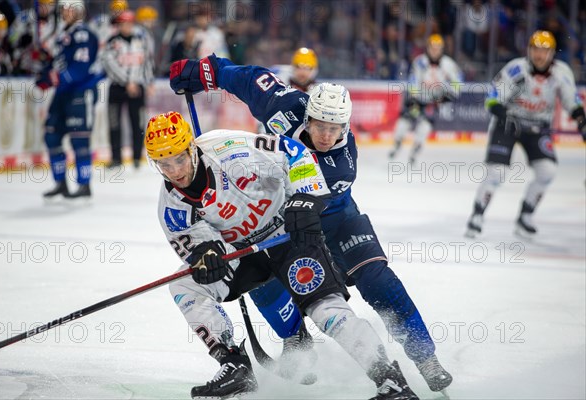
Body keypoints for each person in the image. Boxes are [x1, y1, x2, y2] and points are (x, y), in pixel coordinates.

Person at [169, 55, 453, 393]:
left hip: (333, 218)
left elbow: (308, 205)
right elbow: (247, 78)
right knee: (260, 274)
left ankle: (425, 358)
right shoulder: (284, 105)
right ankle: (296, 338)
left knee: (376, 279)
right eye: (320, 125)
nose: (326, 135)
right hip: (274, 213)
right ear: (307, 115)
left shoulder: (342, 165)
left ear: (346, 127)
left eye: (336, 129)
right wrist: (205, 72)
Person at [145, 111, 419, 400]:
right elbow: (194, 245)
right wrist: (205, 256)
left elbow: (295, 152)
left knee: (325, 310)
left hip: (287, 232)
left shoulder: (228, 149)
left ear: (191, 149)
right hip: (243, 251)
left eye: (179, 158)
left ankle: (390, 379)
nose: (175, 171)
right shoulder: (172, 207)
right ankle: (234, 365)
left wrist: (306, 196)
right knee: (183, 284)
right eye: (164, 164)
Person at [465, 30, 586, 238]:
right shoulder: (516, 69)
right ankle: (477, 215)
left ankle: (525, 216)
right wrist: (500, 111)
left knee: (547, 171)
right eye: (536, 50)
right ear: (529, 50)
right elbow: (493, 96)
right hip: (508, 124)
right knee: (496, 173)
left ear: (551, 54)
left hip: (538, 128)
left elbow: (571, 100)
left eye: (544, 51)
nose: (539, 55)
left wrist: (581, 121)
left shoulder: (561, 73)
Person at [38, 0, 100, 199]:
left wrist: (56, 78)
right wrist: (44, 75)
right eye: (63, 8)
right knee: (51, 136)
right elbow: (56, 63)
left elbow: (80, 68)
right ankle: (60, 182)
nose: (65, 12)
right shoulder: (62, 34)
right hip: (63, 94)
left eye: (69, 8)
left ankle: (84, 185)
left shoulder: (84, 34)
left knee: (79, 140)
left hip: (80, 93)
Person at [389, 34, 463, 165]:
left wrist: (447, 97)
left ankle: (415, 152)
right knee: (403, 123)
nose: (435, 51)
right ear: (427, 48)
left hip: (433, 102)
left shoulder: (449, 64)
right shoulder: (420, 62)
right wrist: (414, 98)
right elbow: (413, 81)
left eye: (438, 48)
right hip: (416, 99)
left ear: (442, 49)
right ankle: (397, 144)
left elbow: (458, 83)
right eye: (432, 48)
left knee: (424, 128)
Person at [101, 10, 154, 169]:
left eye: (130, 23)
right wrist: (127, 82)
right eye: (123, 23)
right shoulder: (112, 42)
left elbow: (147, 63)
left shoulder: (141, 41)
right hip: (117, 88)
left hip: (137, 88)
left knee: (137, 123)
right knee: (114, 123)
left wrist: (149, 81)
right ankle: (116, 158)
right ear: (119, 25)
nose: (127, 26)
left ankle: (137, 157)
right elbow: (109, 64)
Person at [6, 0, 58, 76]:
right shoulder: (25, 17)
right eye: (42, 4)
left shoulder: (58, 23)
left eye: (49, 5)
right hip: (24, 69)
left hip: (47, 71)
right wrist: (20, 40)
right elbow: (10, 38)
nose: (45, 8)